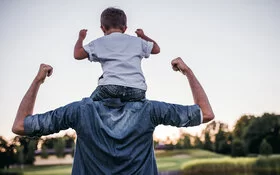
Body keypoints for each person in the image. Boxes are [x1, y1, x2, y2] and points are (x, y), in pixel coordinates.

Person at [12, 57, 214, 174]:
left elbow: (20, 126)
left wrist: (38, 80)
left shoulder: (80, 111)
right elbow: (205, 113)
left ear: (101, 84)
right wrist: (187, 71)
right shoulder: (150, 110)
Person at [74, 7, 160, 102]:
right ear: (125, 28)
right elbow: (156, 49)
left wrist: (81, 38)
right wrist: (142, 36)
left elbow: (77, 54)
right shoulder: (137, 41)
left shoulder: (99, 43)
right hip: (137, 90)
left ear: (102, 28)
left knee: (89, 105)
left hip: (110, 87)